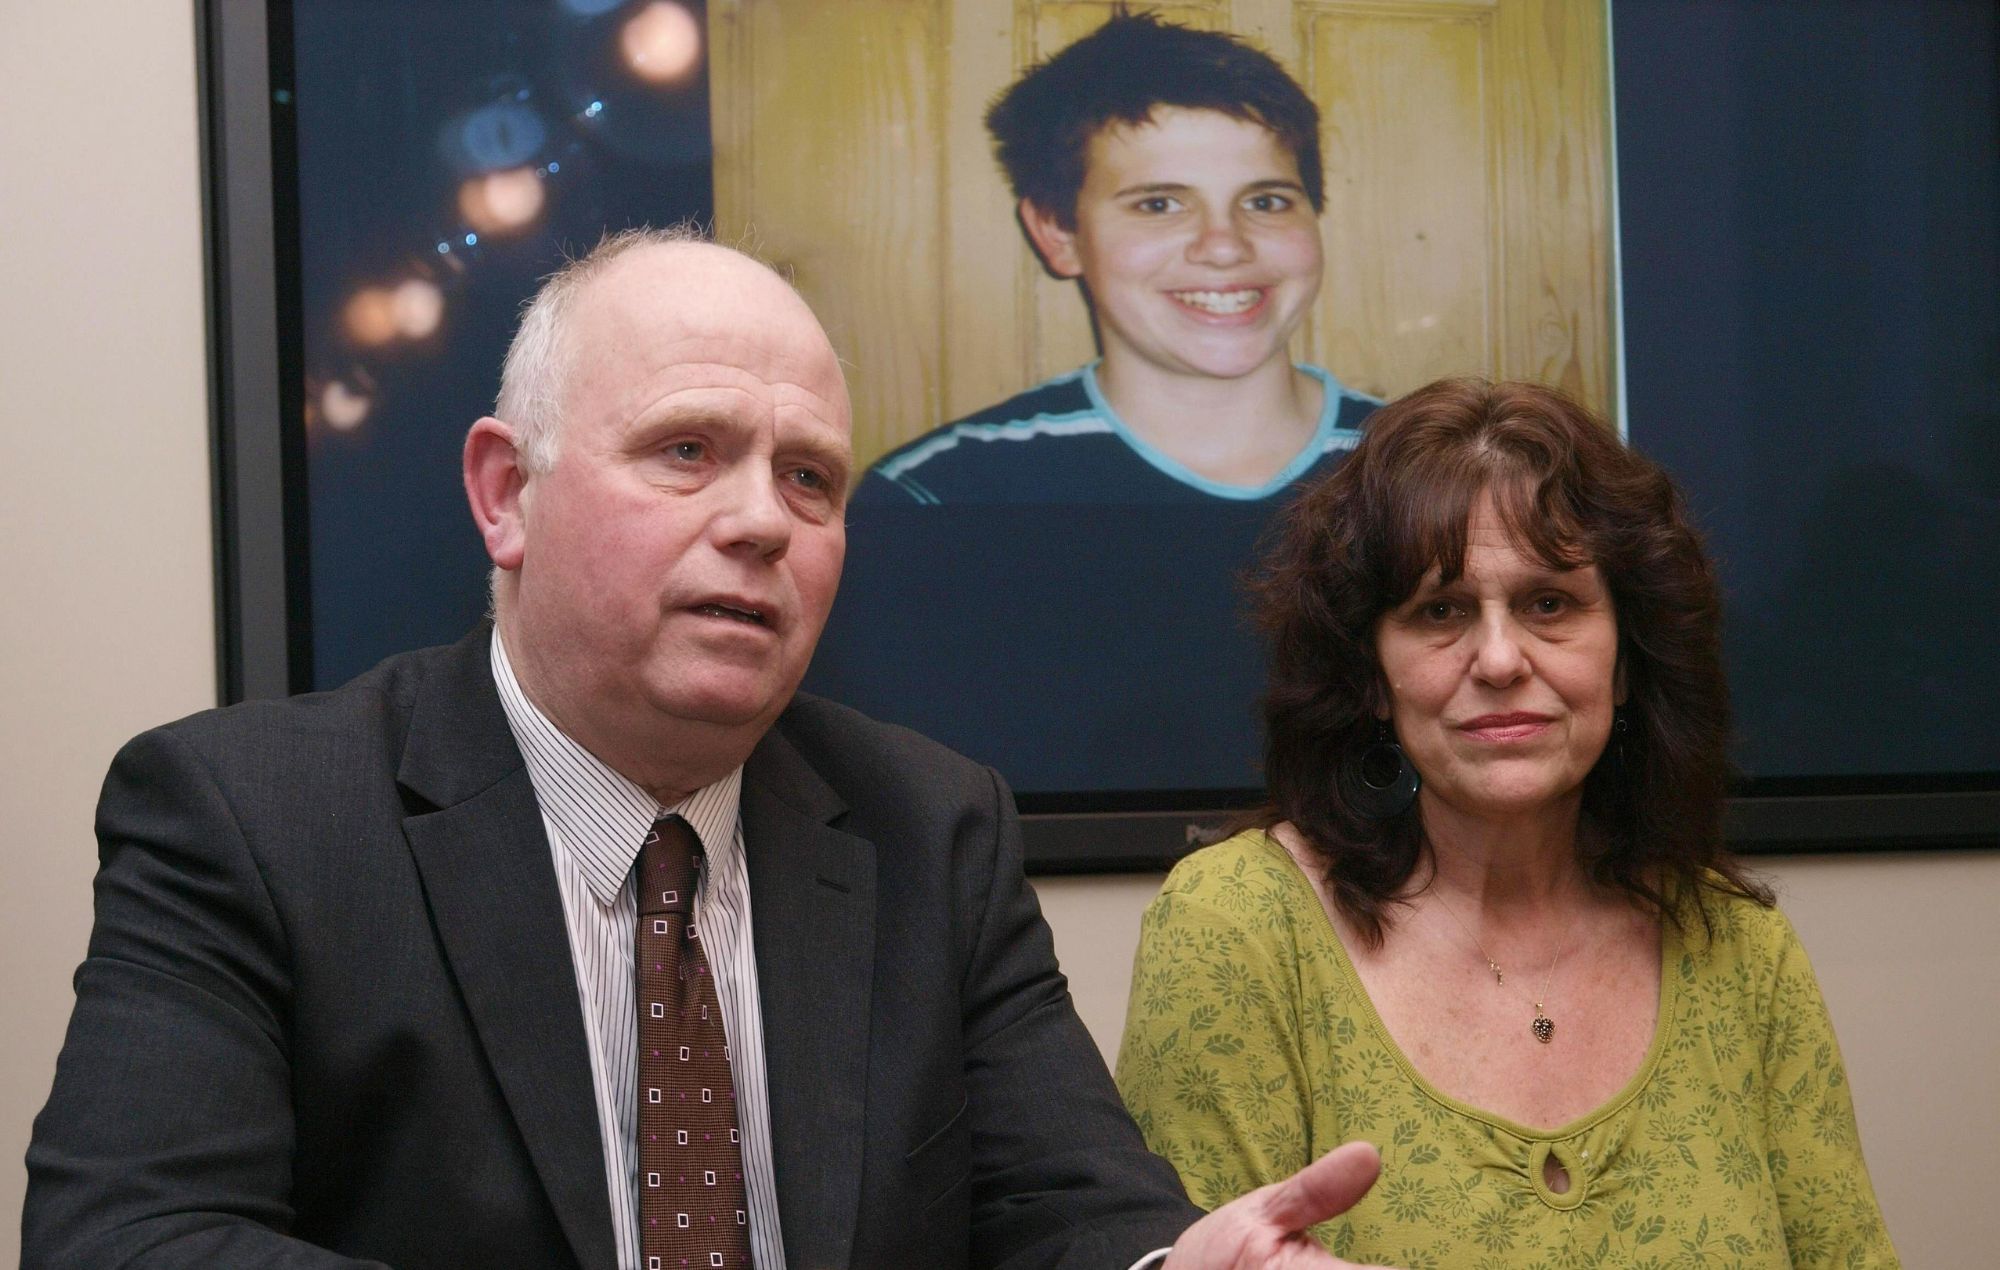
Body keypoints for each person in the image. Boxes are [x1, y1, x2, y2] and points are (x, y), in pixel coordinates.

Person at [25, 228, 1400, 1269]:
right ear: (507, 494)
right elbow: (132, 1238)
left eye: (810, 477)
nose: (764, 522)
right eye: (689, 449)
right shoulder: (252, 814)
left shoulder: (930, 825)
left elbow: (1066, 1206)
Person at [1116, 379, 1900, 1267]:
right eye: (1439, 611)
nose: (1497, 659)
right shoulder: (1238, 929)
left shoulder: (1738, 945)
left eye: (1549, 604)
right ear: (1372, 675)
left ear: (1628, 661)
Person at [805, 12, 1379, 796]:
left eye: (1269, 200)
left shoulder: (1432, 472)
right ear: (1057, 232)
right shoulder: (937, 501)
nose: (1224, 245)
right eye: (1158, 204)